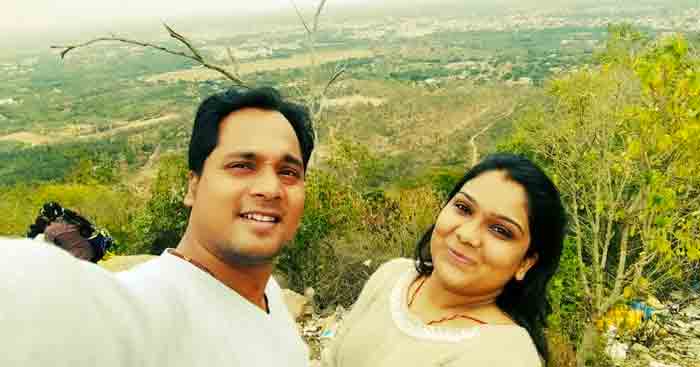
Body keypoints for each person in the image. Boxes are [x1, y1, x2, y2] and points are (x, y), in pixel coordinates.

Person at [0, 86, 314, 367]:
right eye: (242, 166)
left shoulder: (266, 295)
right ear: (193, 186)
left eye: (289, 172)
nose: (270, 188)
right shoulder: (151, 311)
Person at [323, 153, 567, 367]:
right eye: (463, 208)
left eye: (500, 230)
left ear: (526, 262)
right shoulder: (392, 276)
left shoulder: (505, 356)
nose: (467, 235)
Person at [26, 201, 113, 262]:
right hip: (86, 252)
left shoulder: (52, 227)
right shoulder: (70, 219)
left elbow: (87, 226)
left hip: (75, 256)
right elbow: (89, 229)